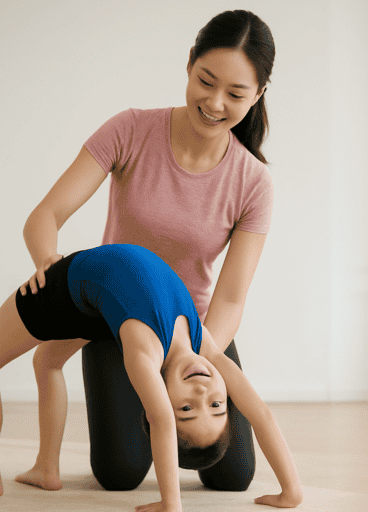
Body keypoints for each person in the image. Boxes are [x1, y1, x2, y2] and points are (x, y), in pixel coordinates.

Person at [17, 10, 274, 492]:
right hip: (114, 319)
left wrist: (190, 357)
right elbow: (45, 215)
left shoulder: (253, 182)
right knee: (120, 473)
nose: (216, 103)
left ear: (258, 95)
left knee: (233, 474)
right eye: (206, 81)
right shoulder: (131, 130)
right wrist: (48, 259)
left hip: (193, 329)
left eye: (236, 94)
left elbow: (232, 298)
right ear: (189, 65)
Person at [0, 244, 302, 509]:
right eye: (216, 405)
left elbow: (161, 420)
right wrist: (292, 490)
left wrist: (171, 505)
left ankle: (45, 468)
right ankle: (46, 468)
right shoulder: (205, 347)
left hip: (64, 289)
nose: (201, 394)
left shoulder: (144, 352)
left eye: (186, 410)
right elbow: (260, 414)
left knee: (41, 361)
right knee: (47, 361)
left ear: (160, 394)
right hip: (98, 308)